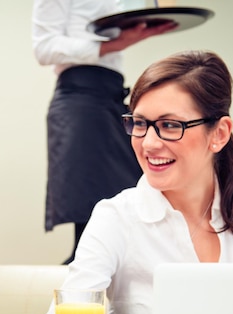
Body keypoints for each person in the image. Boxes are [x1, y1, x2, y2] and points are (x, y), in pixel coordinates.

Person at [35, 50, 233, 314]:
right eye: (139, 123)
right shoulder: (117, 218)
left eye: (169, 125)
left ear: (219, 134)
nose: (149, 143)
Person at [32, 0, 177, 264]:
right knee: (91, 219)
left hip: (112, 95)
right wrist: (114, 44)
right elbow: (43, 47)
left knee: (132, 202)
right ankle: (75, 298)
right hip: (79, 99)